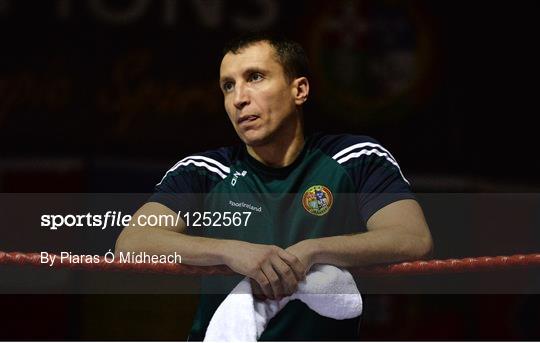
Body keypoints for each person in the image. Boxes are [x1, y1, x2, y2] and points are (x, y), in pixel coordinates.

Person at [115, 34, 433, 341]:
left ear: (300, 90)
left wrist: (313, 251)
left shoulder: (356, 159)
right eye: (228, 86)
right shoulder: (203, 171)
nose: (239, 98)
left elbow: (412, 238)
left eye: (255, 77)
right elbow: (133, 241)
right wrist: (230, 251)